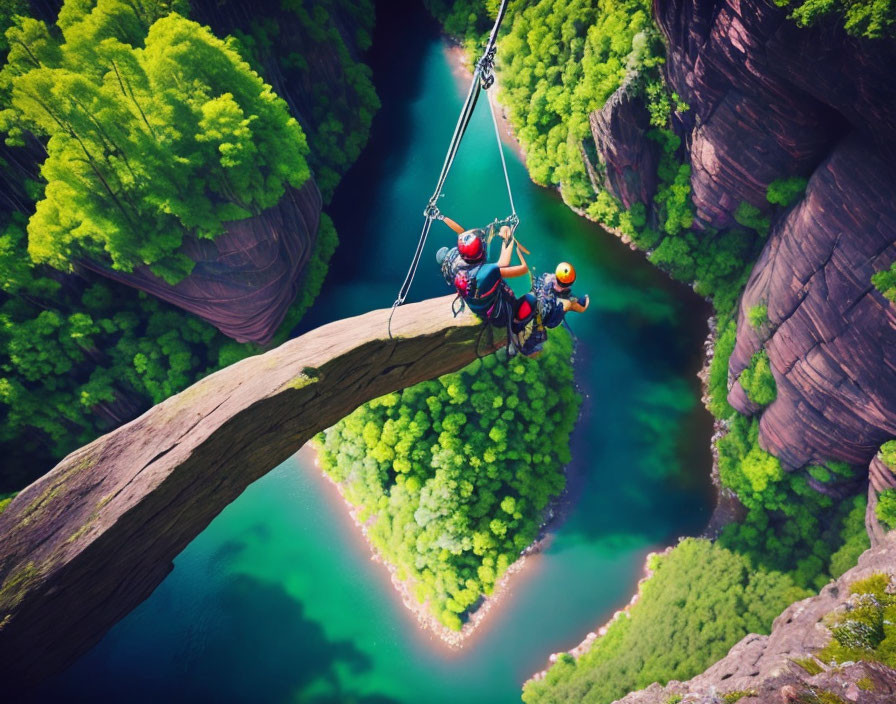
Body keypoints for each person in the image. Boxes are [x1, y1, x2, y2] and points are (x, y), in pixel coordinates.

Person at [435, 215, 536, 342]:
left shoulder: (452, 268)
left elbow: (462, 232)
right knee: (530, 300)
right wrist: (509, 235)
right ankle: (516, 325)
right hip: (498, 312)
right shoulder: (487, 273)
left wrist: (442, 217)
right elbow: (519, 268)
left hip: (478, 304)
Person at [518, 262, 589, 357]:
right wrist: (584, 300)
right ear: (570, 283)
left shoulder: (545, 278)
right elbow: (581, 309)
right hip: (536, 323)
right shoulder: (564, 302)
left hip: (525, 310)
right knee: (538, 339)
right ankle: (527, 352)